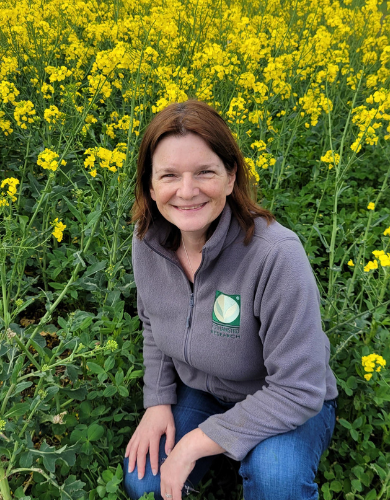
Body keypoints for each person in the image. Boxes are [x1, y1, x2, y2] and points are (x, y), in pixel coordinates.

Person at [124, 100, 339, 500]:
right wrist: (157, 402)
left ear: (230, 177)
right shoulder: (146, 243)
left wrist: (194, 443)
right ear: (150, 187)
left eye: (205, 172)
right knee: (145, 482)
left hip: (283, 398)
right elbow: (153, 323)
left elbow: (298, 389)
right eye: (169, 175)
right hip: (202, 390)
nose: (186, 191)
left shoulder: (276, 255)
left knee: (278, 480)